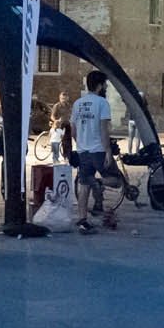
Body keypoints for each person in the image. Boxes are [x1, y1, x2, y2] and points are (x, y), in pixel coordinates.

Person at [67, 71, 112, 233]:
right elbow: (104, 129)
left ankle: (82, 220)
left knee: (84, 186)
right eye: (105, 84)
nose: (106, 86)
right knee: (116, 181)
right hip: (98, 150)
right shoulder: (102, 103)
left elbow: (73, 129)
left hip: (82, 151)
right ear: (100, 86)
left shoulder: (78, 103)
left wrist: (80, 143)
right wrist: (108, 151)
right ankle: (97, 182)